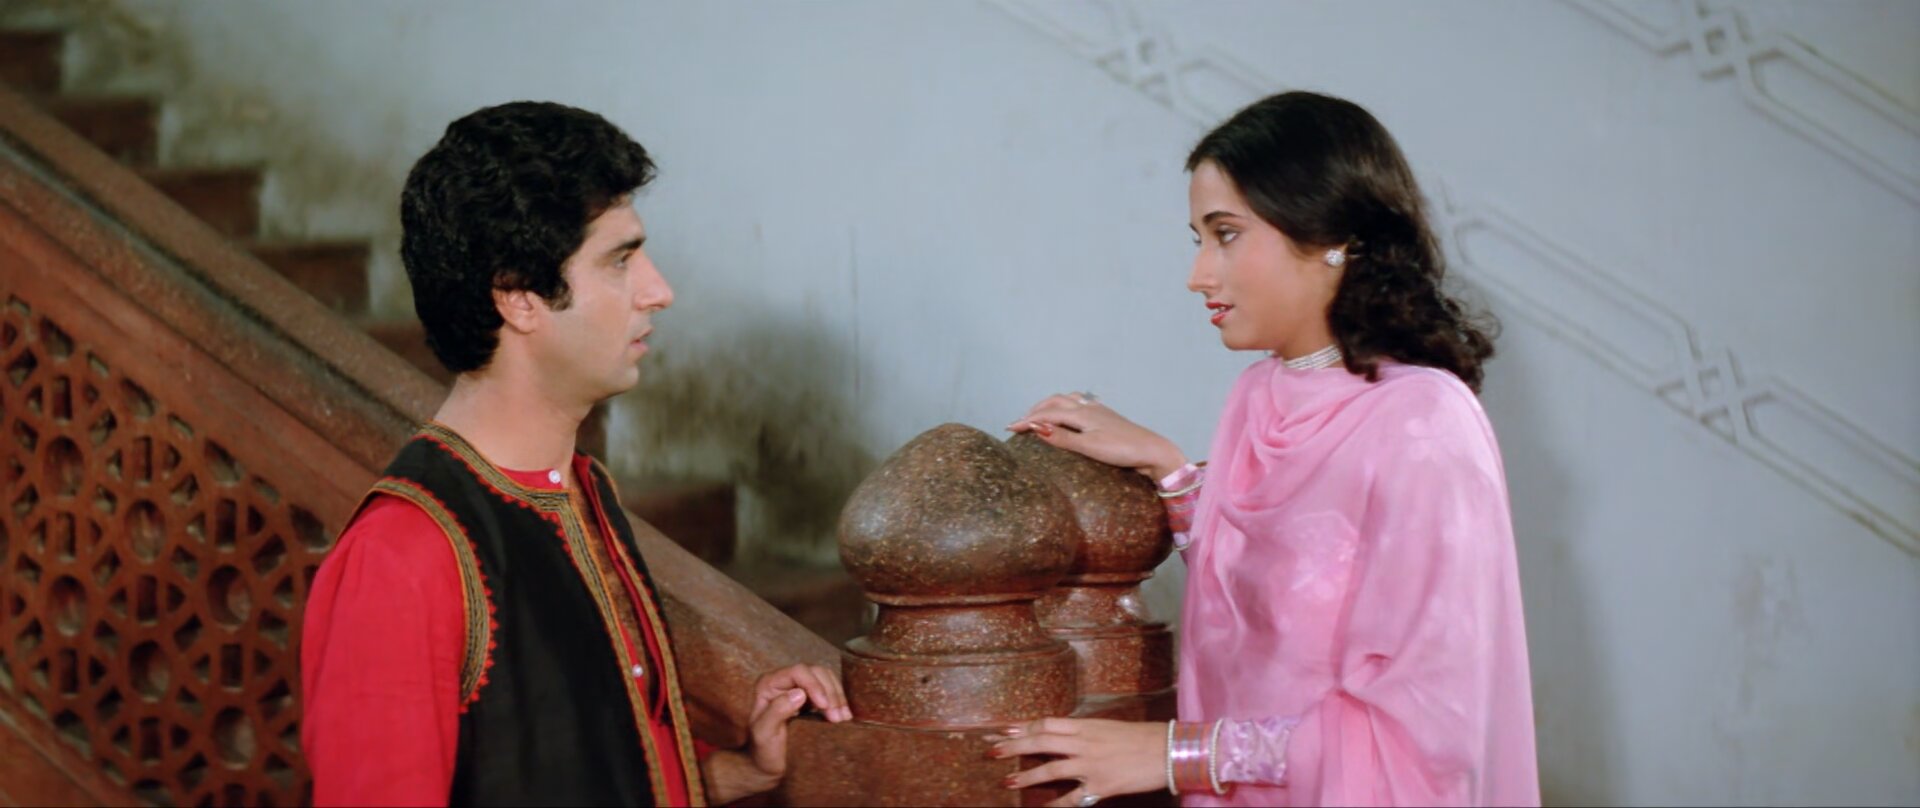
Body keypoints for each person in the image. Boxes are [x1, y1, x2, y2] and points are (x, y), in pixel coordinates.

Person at [995, 91, 1539, 807]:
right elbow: (1268, 605)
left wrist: (1175, 753)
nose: (1199, 275)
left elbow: (1421, 730)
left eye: (1226, 234)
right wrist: (1168, 469)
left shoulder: (1423, 424)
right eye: (1198, 239)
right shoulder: (1260, 394)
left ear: (1333, 239)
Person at [300, 101, 850, 807]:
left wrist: (744, 768)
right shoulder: (403, 555)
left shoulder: (582, 490)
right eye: (620, 260)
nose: (658, 291)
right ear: (519, 298)